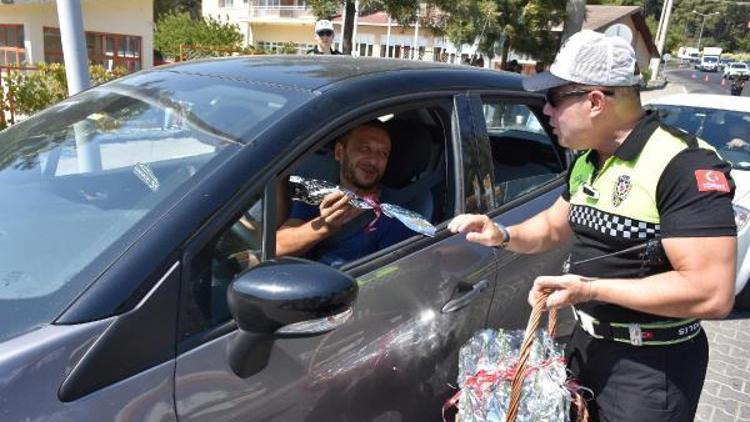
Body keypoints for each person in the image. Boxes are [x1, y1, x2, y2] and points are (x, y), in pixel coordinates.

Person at [448, 30, 737, 421]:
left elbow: (710, 293)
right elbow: (555, 224)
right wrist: (503, 234)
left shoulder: (683, 164)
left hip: (650, 369)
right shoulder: (588, 159)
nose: (545, 112)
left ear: (596, 101)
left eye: (553, 99)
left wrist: (589, 289)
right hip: (586, 347)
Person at [276, 121, 413, 267]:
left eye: (383, 153)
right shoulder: (317, 192)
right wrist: (324, 226)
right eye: (364, 148)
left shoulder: (395, 218)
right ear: (339, 153)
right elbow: (278, 246)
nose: (374, 160)